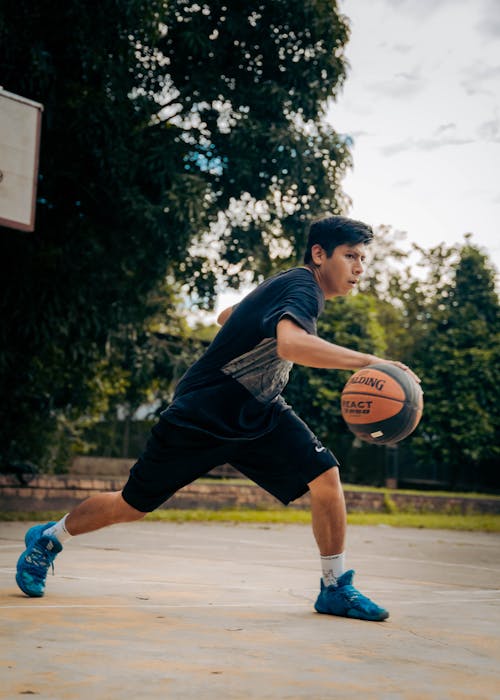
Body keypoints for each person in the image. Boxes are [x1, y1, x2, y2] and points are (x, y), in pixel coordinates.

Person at [15, 215, 420, 621]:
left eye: (362, 258)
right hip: (203, 410)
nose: (359, 268)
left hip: (258, 409)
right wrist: (370, 361)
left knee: (325, 477)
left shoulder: (290, 287)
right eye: (350, 256)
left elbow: (227, 315)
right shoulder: (302, 285)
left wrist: (249, 317)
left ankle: (334, 587)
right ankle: (49, 537)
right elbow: (293, 344)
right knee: (132, 505)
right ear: (319, 254)